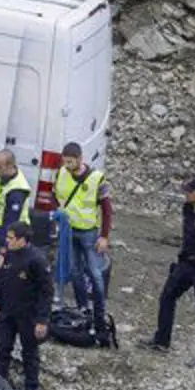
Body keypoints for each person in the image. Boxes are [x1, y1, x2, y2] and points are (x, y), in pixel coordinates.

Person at [140, 176, 195, 368]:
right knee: (167, 296)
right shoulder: (187, 209)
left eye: (190, 191)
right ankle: (161, 340)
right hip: (186, 262)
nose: (186, 194)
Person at [0, 221, 53, 390]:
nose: (7, 241)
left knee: (29, 353)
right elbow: (0, 281)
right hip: (7, 312)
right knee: (2, 348)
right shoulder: (8, 255)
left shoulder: (37, 260)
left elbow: (47, 292)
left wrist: (42, 320)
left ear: (22, 240)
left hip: (28, 314)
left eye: (11, 238)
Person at [54, 141, 113, 335]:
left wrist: (104, 236)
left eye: (71, 162)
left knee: (95, 273)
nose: (67, 166)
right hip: (69, 231)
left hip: (88, 233)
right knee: (75, 271)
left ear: (80, 159)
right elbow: (55, 195)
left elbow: (107, 209)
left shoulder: (97, 179)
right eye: (65, 162)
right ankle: (83, 308)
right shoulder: (61, 173)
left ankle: (99, 313)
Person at [0, 149, 33, 274]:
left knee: (3, 270)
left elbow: (11, 222)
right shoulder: (4, 176)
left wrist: (3, 250)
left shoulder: (16, 191)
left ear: (10, 166)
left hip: (15, 234)